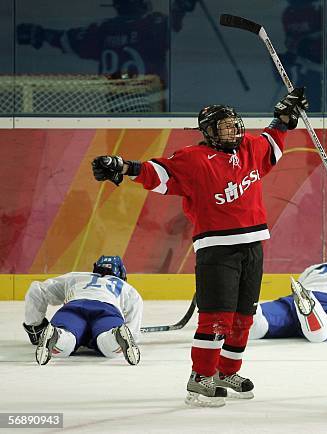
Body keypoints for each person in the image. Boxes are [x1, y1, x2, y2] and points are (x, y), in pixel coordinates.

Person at [90, 88, 308, 407]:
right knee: (216, 318)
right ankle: (200, 377)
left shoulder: (249, 147)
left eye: (236, 125)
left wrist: (285, 118)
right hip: (217, 250)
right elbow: (157, 172)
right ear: (209, 132)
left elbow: (272, 143)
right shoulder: (193, 159)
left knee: (244, 317)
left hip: (253, 246)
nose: (234, 131)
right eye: (226, 127)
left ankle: (226, 371)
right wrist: (122, 166)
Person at [16, 0, 193, 111]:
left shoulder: (102, 30)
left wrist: (41, 33)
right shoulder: (152, 24)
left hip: (115, 105)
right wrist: (181, 7)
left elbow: (68, 39)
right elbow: (172, 24)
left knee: (117, 160)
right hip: (150, 105)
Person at [250, 236, 327, 343]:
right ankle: (314, 315)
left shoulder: (313, 268)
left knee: (265, 323)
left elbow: (299, 289)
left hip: (299, 297)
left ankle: (249, 313)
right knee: (321, 332)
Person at [22, 255, 142, 366]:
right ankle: (116, 336)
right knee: (110, 348)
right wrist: (132, 334)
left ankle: (56, 335)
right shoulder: (125, 287)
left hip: (73, 309)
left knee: (65, 343)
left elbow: (37, 289)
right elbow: (133, 326)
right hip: (107, 311)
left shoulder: (76, 276)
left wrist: (35, 326)